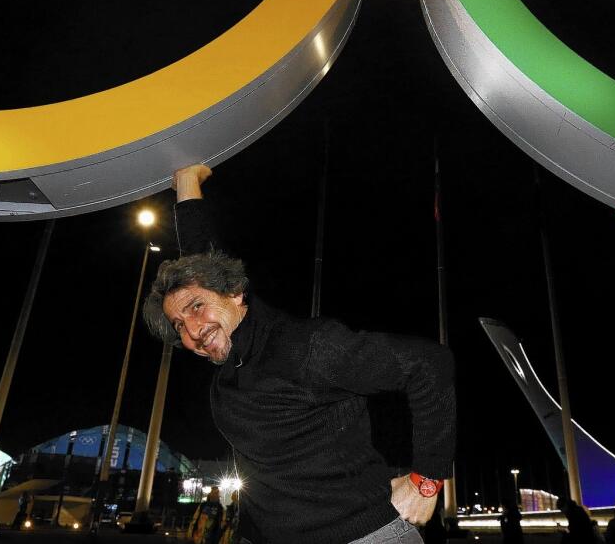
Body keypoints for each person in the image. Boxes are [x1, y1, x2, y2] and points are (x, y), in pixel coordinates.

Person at [143, 165, 456, 544]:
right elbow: (199, 254)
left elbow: (428, 364)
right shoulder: (235, 356)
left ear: (236, 293)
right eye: (178, 325)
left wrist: (427, 479)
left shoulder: (305, 347)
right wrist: (187, 182)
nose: (192, 330)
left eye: (195, 307)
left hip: (362, 535)